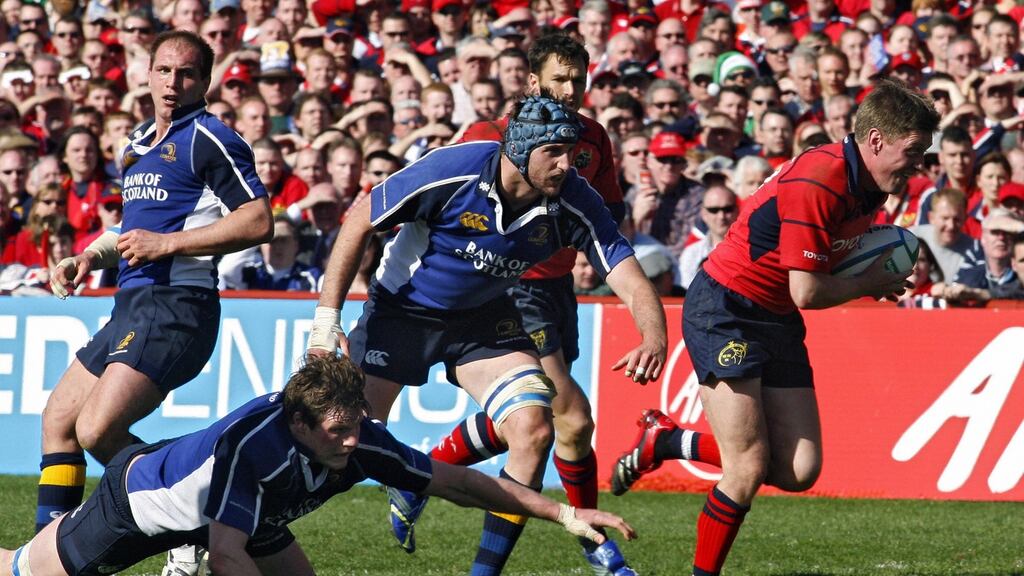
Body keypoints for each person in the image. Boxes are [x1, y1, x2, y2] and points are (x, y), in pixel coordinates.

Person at [306, 94, 666, 576]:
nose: (567, 164)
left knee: (536, 430)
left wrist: (653, 334)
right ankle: (220, 519)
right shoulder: (455, 168)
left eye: (571, 152)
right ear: (519, 150)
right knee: (340, 445)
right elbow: (359, 221)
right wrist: (327, 317)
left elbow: (624, 268)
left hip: (483, 319)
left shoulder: (573, 198)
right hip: (401, 312)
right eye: (553, 152)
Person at [610, 80, 939, 576]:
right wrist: (870, 281)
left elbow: (818, 270)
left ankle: (665, 441)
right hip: (726, 306)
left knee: (799, 470)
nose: (920, 165)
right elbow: (807, 292)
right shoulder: (822, 179)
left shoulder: (872, 183)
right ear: (875, 141)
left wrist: (867, 270)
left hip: (776, 315)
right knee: (745, 468)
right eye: (913, 151)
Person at [0, 355, 636, 576]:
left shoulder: (356, 436)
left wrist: (563, 511)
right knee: (26, 568)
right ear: (300, 425)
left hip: (249, 518)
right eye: (338, 432)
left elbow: (456, 482)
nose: (354, 443)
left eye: (357, 425)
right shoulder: (255, 449)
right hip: (138, 505)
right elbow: (227, 554)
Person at [37, 30, 274, 574]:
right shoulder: (139, 143)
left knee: (97, 429)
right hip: (133, 307)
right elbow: (133, 228)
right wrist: (89, 258)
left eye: (187, 73)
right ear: (146, 74)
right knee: (59, 421)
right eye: (165, 71)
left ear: (205, 81)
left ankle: (192, 520)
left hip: (178, 306)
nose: (173, 83)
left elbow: (259, 219)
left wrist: (169, 245)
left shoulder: (211, 138)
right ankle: (48, 550)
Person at [405, 33, 637, 575]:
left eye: (579, 78)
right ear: (534, 82)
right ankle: (597, 549)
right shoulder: (489, 136)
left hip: (558, 288)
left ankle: (422, 474)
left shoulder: (594, 139)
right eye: (560, 78)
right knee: (570, 418)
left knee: (547, 424)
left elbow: (609, 214)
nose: (571, 89)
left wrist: (590, 245)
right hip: (512, 285)